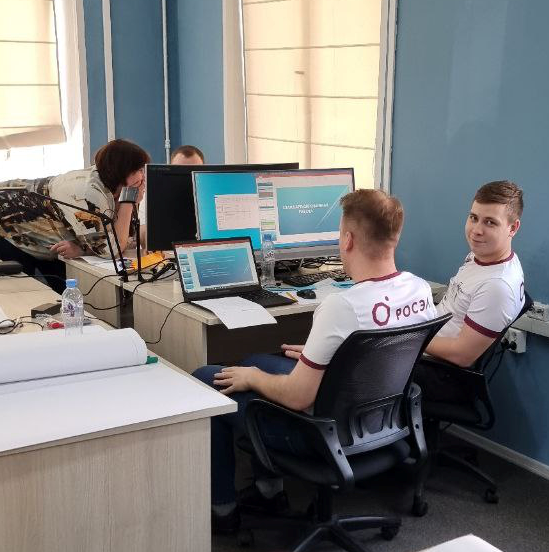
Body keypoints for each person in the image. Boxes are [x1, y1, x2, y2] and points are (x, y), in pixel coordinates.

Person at [192, 189, 438, 533]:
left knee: (208, 379)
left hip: (323, 434)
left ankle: (224, 511)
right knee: (256, 360)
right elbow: (380, 354)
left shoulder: (341, 307)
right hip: (384, 423)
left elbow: (297, 397)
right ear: (395, 236)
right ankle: (268, 492)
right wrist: (322, 357)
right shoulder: (419, 289)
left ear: (348, 239)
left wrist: (252, 378)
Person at [415, 180, 525, 401]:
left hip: (440, 374)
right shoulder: (481, 257)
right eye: (474, 218)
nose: (476, 231)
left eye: (490, 223)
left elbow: (462, 355)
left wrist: (410, 340)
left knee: (352, 361)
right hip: (427, 350)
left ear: (512, 228)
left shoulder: (497, 286)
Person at [0, 139, 149, 291]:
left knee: (72, 292)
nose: (143, 176)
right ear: (121, 171)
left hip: (49, 240)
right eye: (138, 170)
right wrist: (129, 202)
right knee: (26, 293)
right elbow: (111, 250)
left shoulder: (115, 189)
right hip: (5, 227)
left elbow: (129, 236)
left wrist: (83, 249)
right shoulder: (88, 193)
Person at [138, 144, 204, 250]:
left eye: (193, 171)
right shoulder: (151, 194)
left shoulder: (210, 194)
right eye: (179, 171)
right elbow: (143, 241)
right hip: (167, 254)